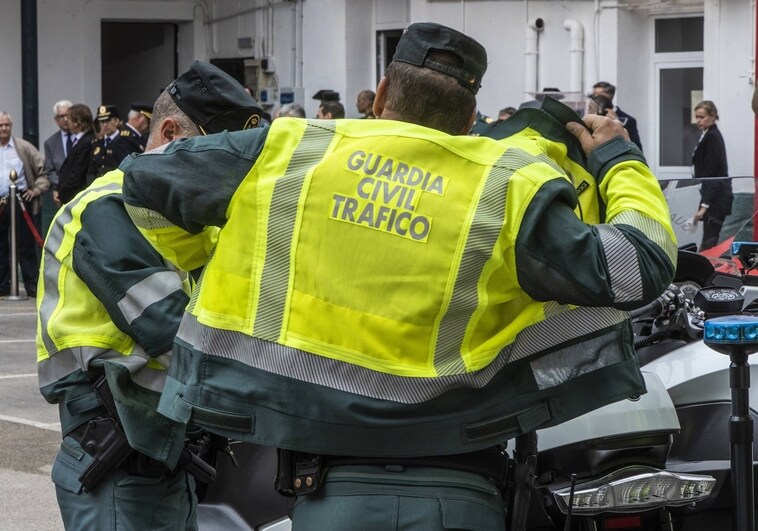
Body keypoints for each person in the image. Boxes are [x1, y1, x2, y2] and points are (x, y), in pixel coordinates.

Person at [121, 22, 676, 530]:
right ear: (467, 120)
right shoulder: (507, 185)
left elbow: (143, 184)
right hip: (460, 493)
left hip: (327, 493)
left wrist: (207, 261)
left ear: (382, 96)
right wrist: (620, 161)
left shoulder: (292, 150)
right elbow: (635, 270)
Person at [36, 61, 264, 530]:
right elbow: (171, 328)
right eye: (216, 156)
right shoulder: (107, 208)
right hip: (116, 460)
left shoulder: (192, 224)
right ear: (170, 134)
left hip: (164, 457)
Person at [0, 112, 49, 297]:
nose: (4, 129)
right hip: (0, 202)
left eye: (7, 125)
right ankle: (3, 285)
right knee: (1, 246)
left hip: (20, 202)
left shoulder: (23, 147)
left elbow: (43, 172)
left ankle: (31, 284)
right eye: (0, 125)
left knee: (25, 245)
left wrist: (35, 190)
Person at [692, 100, 732, 251]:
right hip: (712, 194)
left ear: (713, 116)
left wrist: (704, 206)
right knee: (708, 239)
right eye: (696, 117)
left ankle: (706, 271)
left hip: (717, 197)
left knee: (710, 241)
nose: (698, 121)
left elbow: (713, 173)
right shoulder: (707, 135)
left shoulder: (713, 136)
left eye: (702, 117)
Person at [56, 104, 96, 204]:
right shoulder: (80, 140)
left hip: (75, 197)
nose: (67, 121)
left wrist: (63, 193)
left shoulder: (87, 142)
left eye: (69, 118)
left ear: (77, 122)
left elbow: (77, 172)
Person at [592, 81, 642, 150]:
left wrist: (619, 125)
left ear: (610, 96)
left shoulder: (628, 120)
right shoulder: (592, 116)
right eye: (593, 96)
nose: (595, 99)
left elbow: (637, 148)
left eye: (599, 96)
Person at [86, 104, 122, 181]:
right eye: (102, 122)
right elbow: (91, 171)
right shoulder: (96, 144)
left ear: (116, 121)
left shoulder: (123, 141)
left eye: (108, 121)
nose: (105, 125)